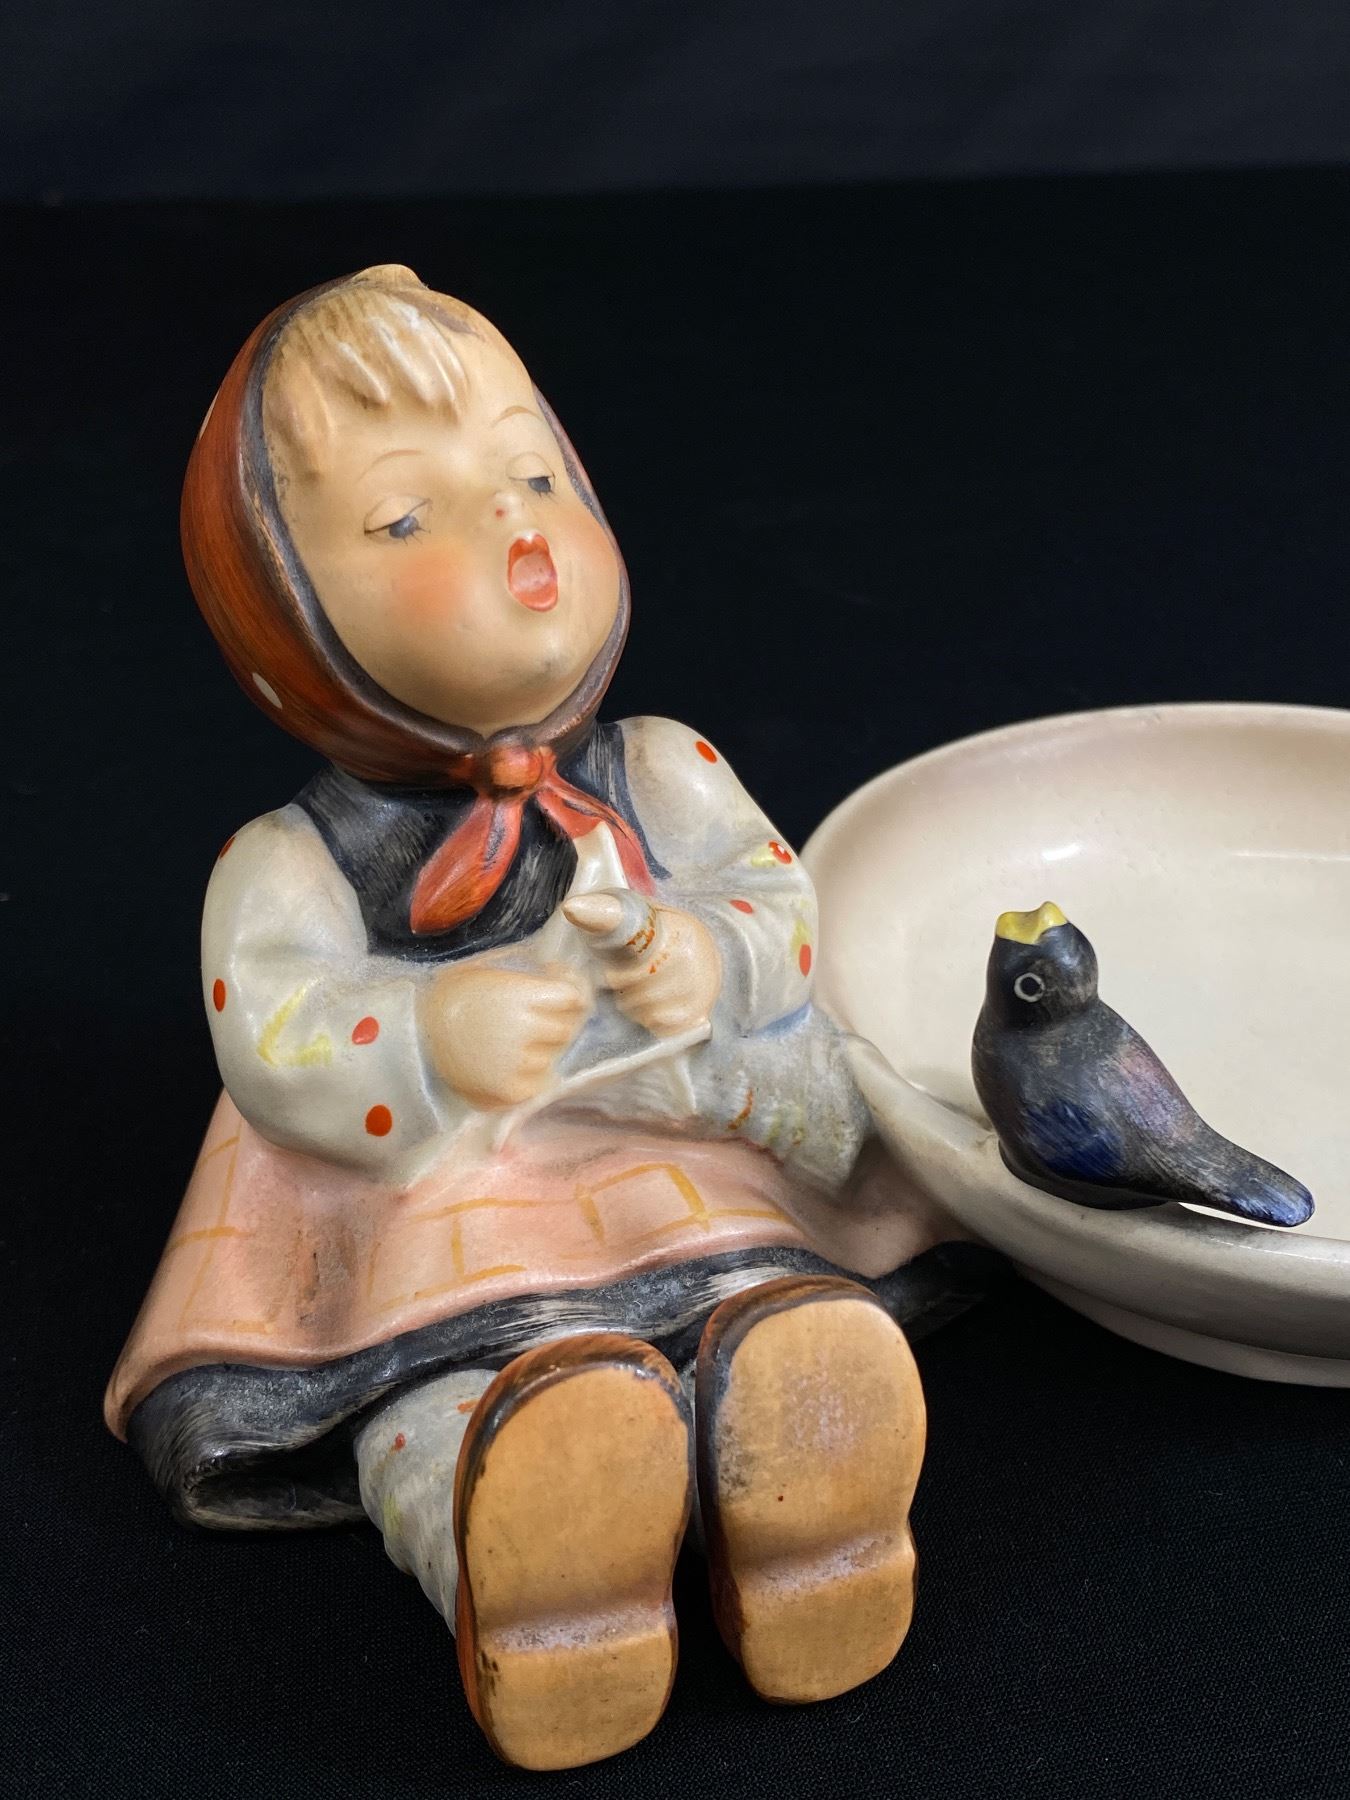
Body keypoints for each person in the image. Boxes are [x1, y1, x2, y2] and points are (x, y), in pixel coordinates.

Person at [105, 265, 974, 1771]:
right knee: (454, 1387)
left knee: (752, 1298)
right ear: (278, 623)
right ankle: (522, 1556)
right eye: (404, 519)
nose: (513, 526)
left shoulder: (665, 767)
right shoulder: (288, 865)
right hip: (426, 1205)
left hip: (674, 1153)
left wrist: (707, 957)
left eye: (533, 474)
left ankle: (800, 1476)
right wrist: (428, 1036)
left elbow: (781, 909)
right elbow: (275, 1038)